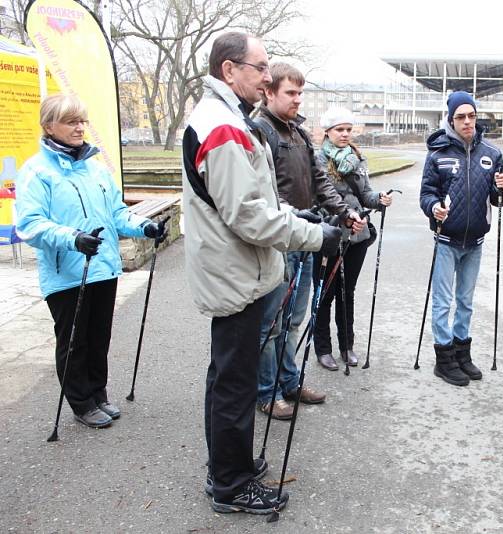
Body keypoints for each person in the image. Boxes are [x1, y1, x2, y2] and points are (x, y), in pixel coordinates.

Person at [181, 32, 340, 515]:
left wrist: (301, 218)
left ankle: (227, 467)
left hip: (235, 271)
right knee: (234, 382)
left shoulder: (225, 118)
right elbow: (246, 214)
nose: (267, 76)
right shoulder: (223, 126)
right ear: (231, 70)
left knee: (228, 376)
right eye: (261, 66)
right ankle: (230, 485)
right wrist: (315, 236)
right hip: (236, 275)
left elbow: (253, 200)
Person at [15, 94, 166, 430]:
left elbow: (116, 213)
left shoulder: (96, 169)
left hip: (102, 267)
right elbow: (30, 225)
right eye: (71, 121)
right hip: (66, 272)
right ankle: (81, 402)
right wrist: (72, 238)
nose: (79, 127)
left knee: (99, 336)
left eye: (81, 121)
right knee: (73, 341)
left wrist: (145, 226)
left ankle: (98, 394)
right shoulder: (36, 171)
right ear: (49, 126)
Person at [253, 63, 365, 419]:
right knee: (271, 322)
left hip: (306, 237)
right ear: (270, 92)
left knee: (295, 317)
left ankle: (289, 381)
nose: (298, 100)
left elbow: (320, 181)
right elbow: (263, 193)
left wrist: (344, 211)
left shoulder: (299, 134)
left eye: (301, 93)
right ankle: (267, 392)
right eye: (291, 93)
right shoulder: (260, 131)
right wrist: (296, 219)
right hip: (279, 238)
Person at [419, 91, 503, 387]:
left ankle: (462, 352)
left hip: (476, 242)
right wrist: (434, 208)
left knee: (466, 301)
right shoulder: (438, 154)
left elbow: (498, 200)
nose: (467, 121)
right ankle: (444, 359)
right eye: (461, 117)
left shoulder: (492, 154)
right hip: (446, 240)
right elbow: (427, 194)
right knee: (443, 301)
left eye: (471, 115)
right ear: (451, 119)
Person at [313, 107, 393, 370]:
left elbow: (366, 194)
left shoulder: (357, 157)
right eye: (339, 129)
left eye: (348, 129)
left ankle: (346, 346)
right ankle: (323, 349)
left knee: (347, 292)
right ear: (327, 131)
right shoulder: (316, 159)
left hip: (356, 235)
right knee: (324, 293)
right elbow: (315, 197)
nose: (345, 134)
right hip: (327, 234)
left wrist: (379, 200)